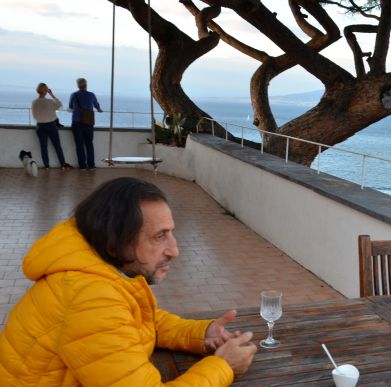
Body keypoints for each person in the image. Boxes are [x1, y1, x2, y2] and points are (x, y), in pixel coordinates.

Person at [0, 177, 257, 386]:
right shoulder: (91, 298)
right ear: (114, 243)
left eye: (171, 232)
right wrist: (223, 366)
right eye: (159, 237)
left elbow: (144, 320)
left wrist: (201, 334)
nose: (174, 250)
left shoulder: (104, 265)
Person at [31, 83, 72, 170]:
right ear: (46, 91)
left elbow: (34, 116)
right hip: (51, 125)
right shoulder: (49, 102)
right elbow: (60, 106)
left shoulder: (34, 102)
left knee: (43, 147)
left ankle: (46, 166)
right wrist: (52, 95)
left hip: (40, 126)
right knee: (57, 146)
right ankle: (63, 164)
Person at [68, 77, 102, 170]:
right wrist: (99, 109)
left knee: (79, 145)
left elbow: (70, 106)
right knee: (89, 144)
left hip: (77, 122)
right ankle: (91, 165)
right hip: (88, 122)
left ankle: (82, 166)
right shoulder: (91, 95)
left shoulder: (73, 95)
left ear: (78, 86)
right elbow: (97, 106)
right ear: (86, 85)